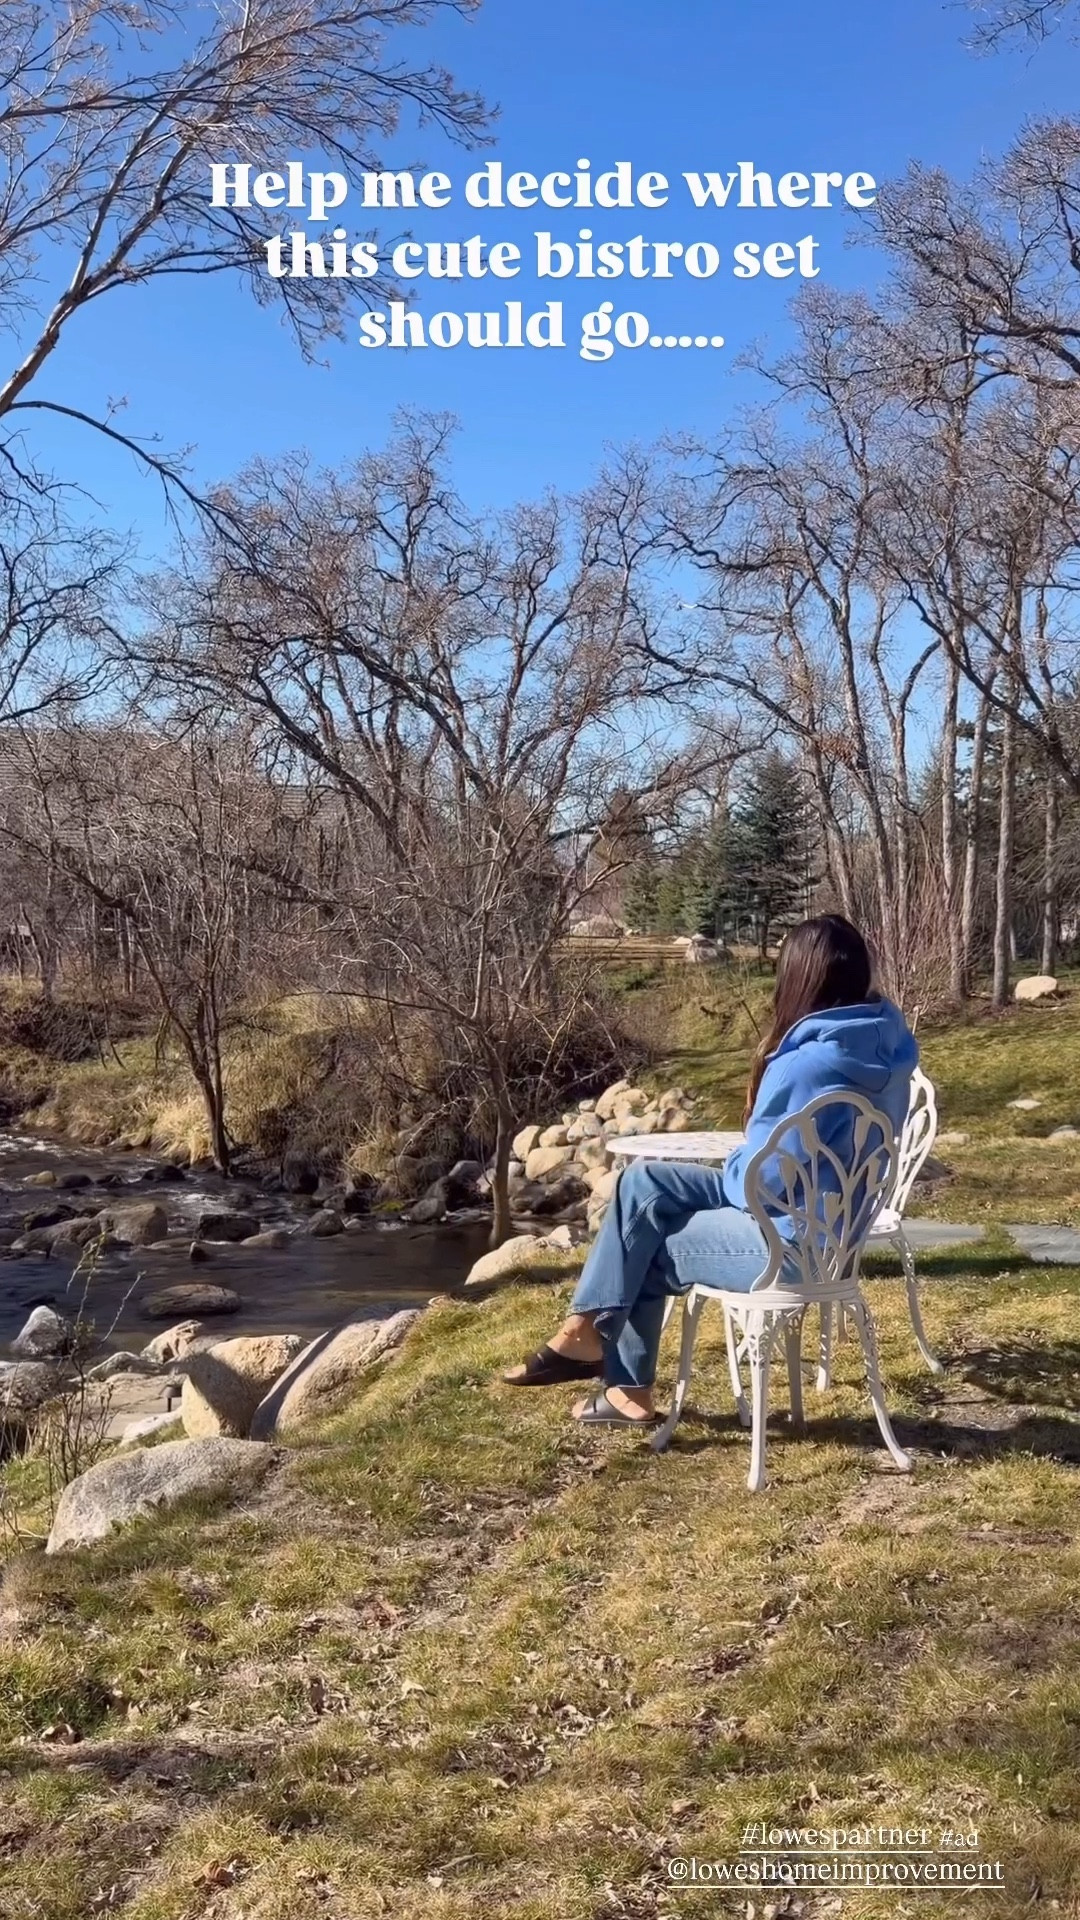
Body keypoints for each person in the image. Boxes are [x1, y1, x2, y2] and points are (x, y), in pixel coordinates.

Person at [502, 914, 918, 1427]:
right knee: (644, 1183)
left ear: (799, 979)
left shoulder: (805, 1064)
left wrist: (743, 1155)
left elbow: (755, 1184)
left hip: (787, 1246)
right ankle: (583, 1331)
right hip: (832, 1230)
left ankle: (621, 1382)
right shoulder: (886, 1046)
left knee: (647, 1242)